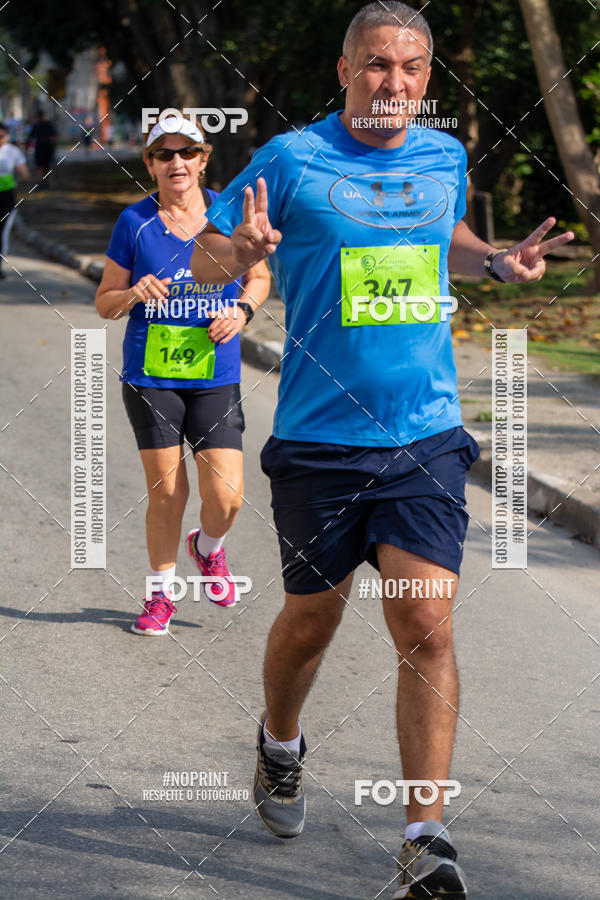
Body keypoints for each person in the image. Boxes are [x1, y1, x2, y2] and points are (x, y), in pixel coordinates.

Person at [192, 3, 575, 896]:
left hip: (424, 440)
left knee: (426, 625)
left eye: (408, 68)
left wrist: (499, 261)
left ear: (426, 79)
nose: (391, 83)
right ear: (344, 70)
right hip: (321, 443)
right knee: (312, 621)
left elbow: (448, 246)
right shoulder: (291, 160)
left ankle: (424, 838)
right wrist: (238, 249)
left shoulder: (444, 157)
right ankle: (279, 743)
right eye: (374, 65)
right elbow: (210, 254)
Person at [96, 113, 270, 635]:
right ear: (149, 163)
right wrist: (132, 294)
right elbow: (104, 303)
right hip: (151, 376)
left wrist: (240, 312)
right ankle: (159, 593)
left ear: (203, 159)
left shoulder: (225, 212)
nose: (177, 162)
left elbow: (258, 277)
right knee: (167, 492)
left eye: (187, 152)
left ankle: (208, 546)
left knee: (227, 495)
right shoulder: (134, 223)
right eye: (164, 154)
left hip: (215, 372)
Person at [0, 122, 29, 280]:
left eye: (2, 137)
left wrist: (15, 177)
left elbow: (25, 174)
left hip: (7, 197)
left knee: (3, 232)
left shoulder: (12, 151)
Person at [28, 111, 56, 184]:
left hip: (43, 147)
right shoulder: (45, 125)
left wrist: (30, 146)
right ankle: (43, 181)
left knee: (43, 166)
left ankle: (43, 181)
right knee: (42, 166)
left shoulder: (40, 125)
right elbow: (54, 135)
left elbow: (31, 137)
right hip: (43, 147)